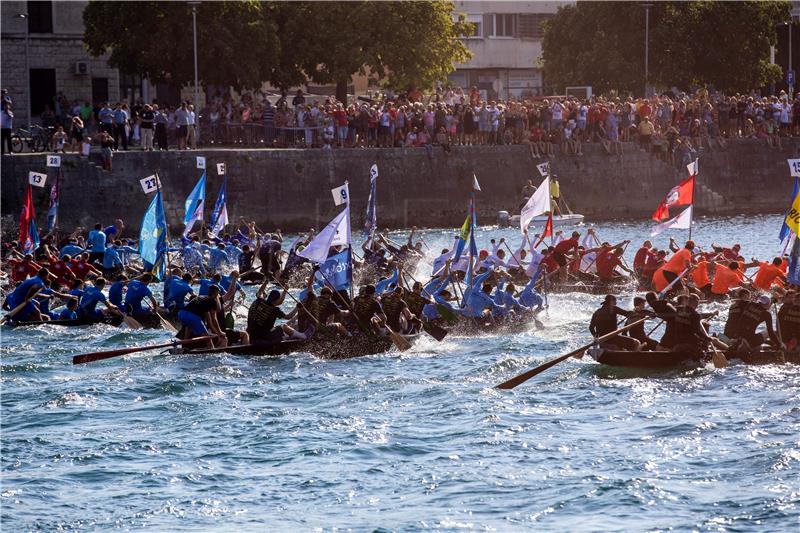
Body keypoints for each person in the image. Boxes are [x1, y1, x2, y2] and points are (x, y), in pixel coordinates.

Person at [247, 280, 305, 345]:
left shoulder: (259, 301)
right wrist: (297, 307)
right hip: (263, 337)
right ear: (275, 300)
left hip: (251, 334)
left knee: (273, 326)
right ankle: (303, 336)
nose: (280, 301)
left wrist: (266, 281)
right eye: (278, 299)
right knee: (283, 327)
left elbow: (260, 291)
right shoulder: (274, 310)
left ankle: (288, 335)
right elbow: (289, 316)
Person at [178, 284, 227, 348]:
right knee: (207, 338)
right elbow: (214, 319)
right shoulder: (212, 301)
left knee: (188, 328)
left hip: (181, 314)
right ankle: (212, 351)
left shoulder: (201, 297)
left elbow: (210, 320)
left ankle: (184, 346)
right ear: (216, 293)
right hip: (193, 317)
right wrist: (220, 332)